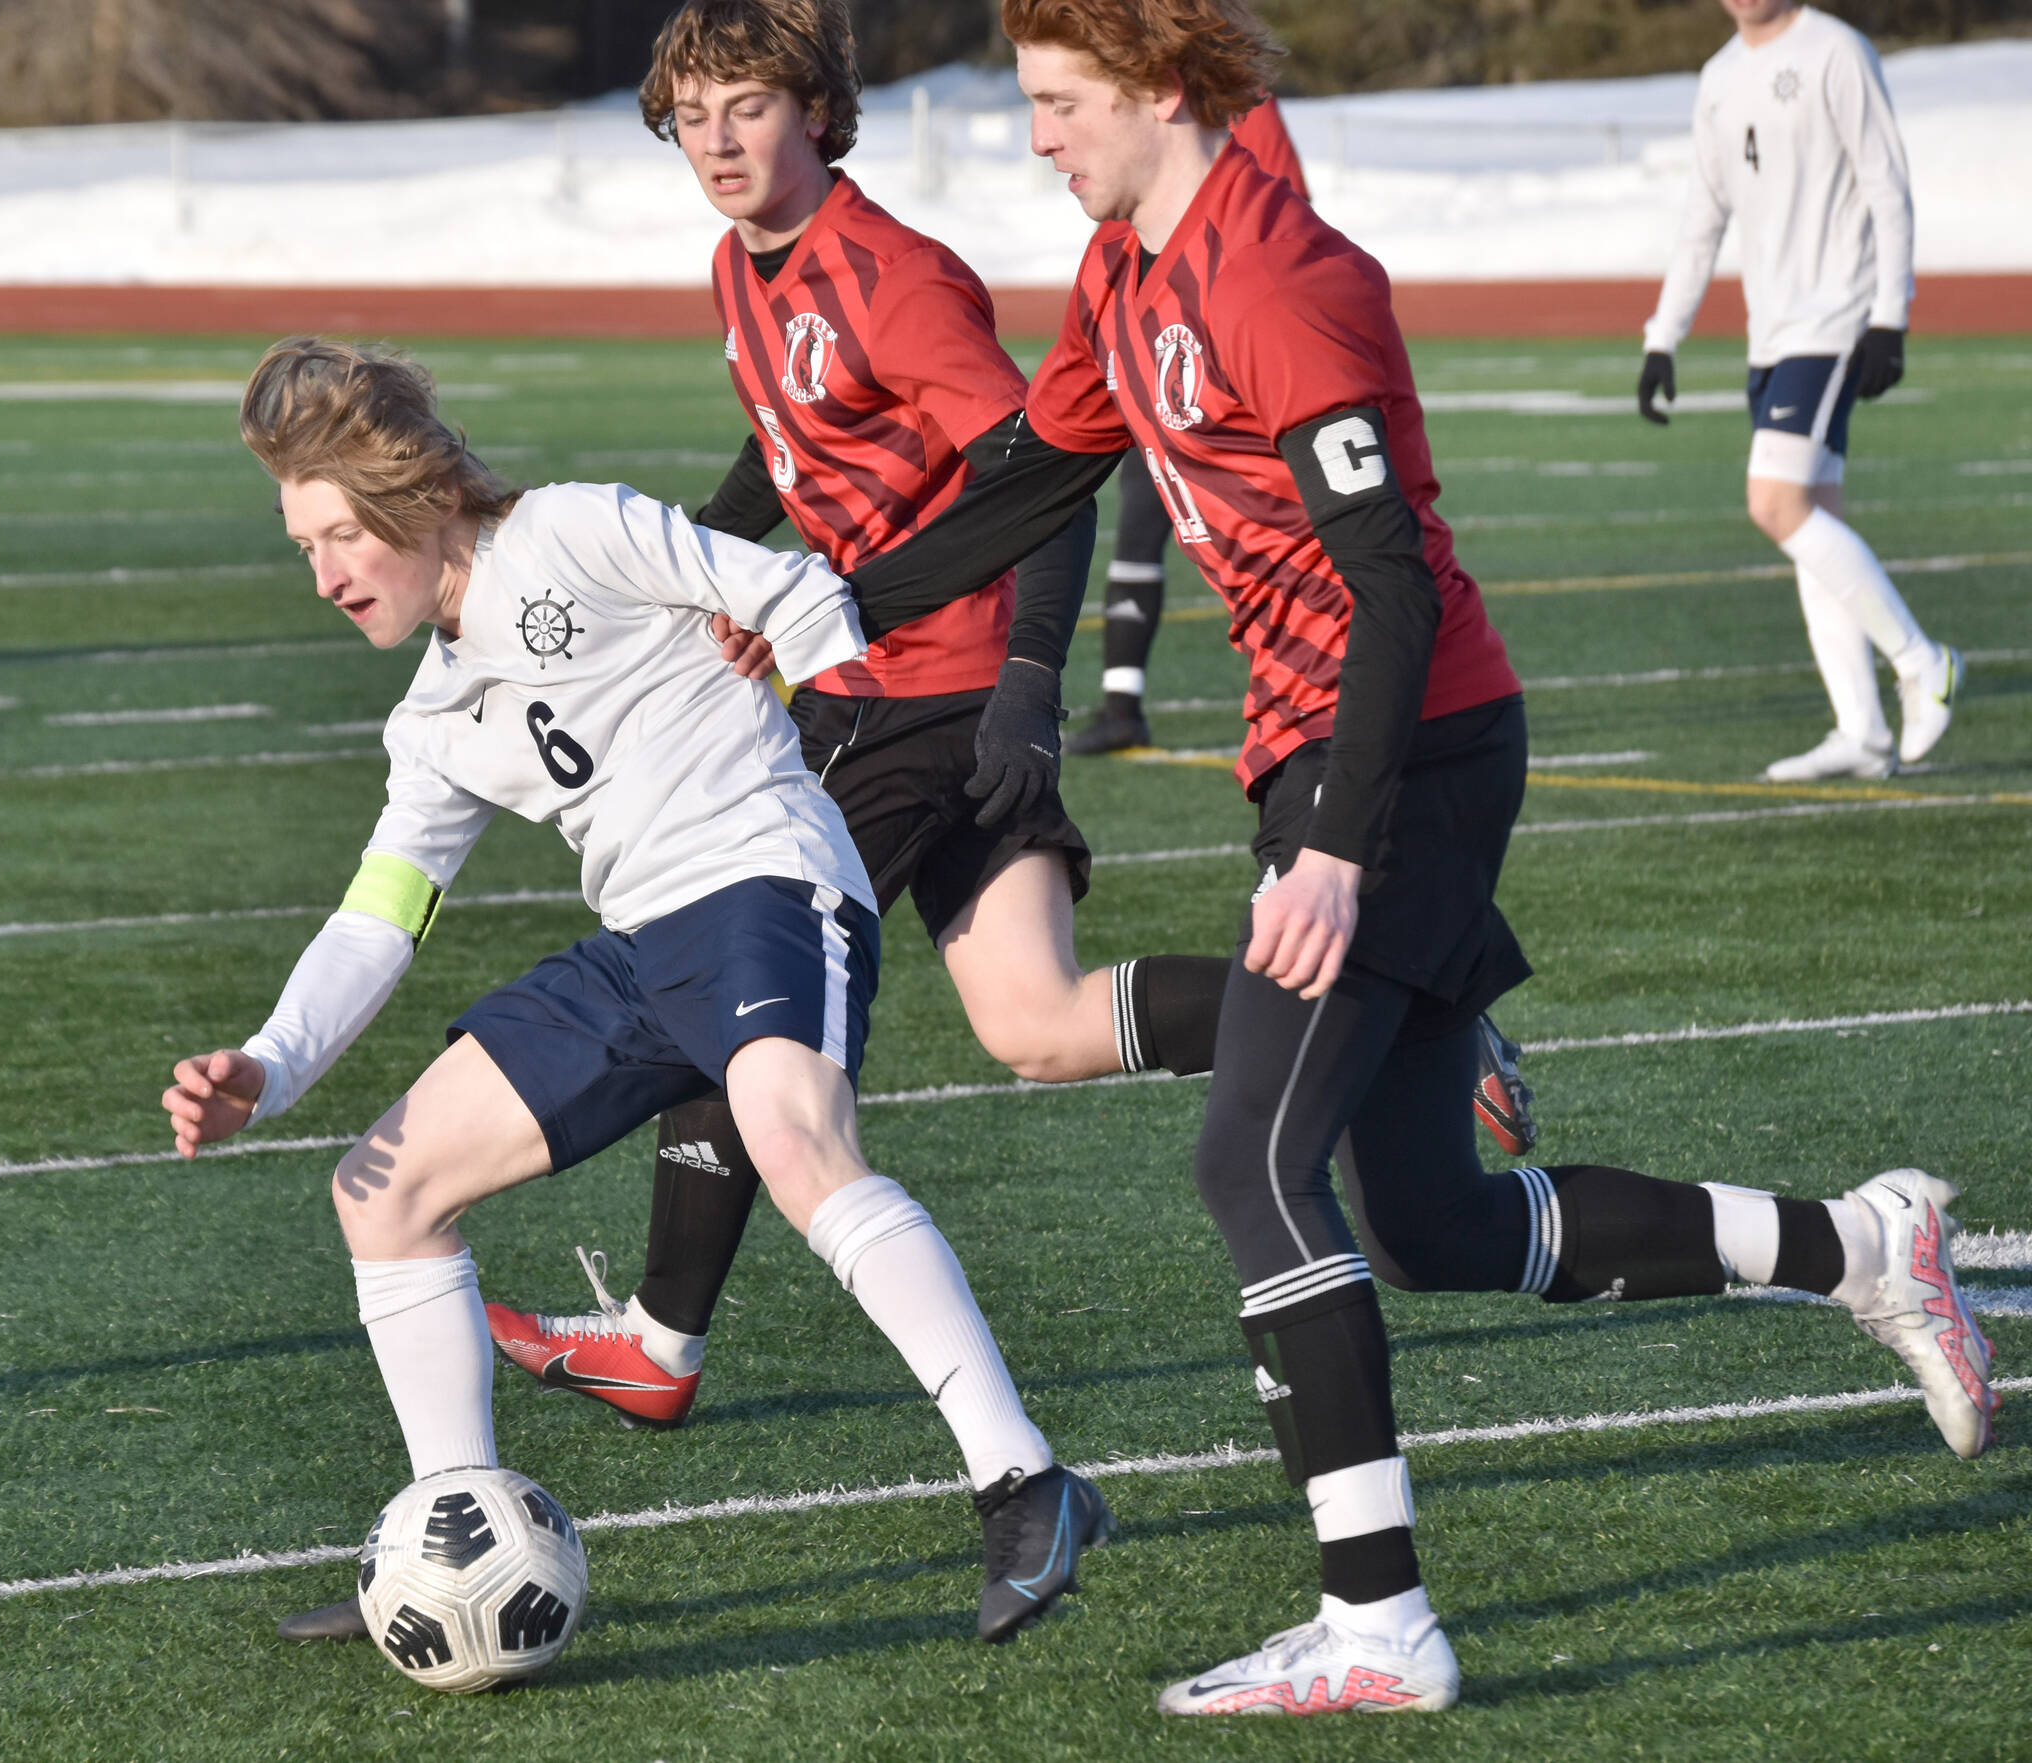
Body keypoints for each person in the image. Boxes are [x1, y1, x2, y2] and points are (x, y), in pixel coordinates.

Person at [800, 0, 1997, 1715]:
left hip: (1401, 765)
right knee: (1425, 1219)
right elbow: (1019, 487)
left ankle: (1377, 1620)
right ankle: (1860, 1247)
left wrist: (1339, 847)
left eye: (1060, 104)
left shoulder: (1277, 277)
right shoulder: (1126, 276)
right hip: (1340, 770)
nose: (1038, 137)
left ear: (1155, 92)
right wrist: (806, 602)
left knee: (1250, 1169)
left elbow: (1391, 585)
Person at [164, 337, 1111, 1650]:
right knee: (380, 1186)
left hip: (766, 884)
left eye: (336, 535)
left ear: (420, 499)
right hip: (640, 943)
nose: (321, 575)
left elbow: (790, 591)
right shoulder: (434, 710)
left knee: (791, 1133)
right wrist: (265, 1063)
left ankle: (1026, 1479)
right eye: (301, 545)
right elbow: (380, 913)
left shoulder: (569, 530)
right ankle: (451, 1525)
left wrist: (814, 716)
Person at [479, 0, 1231, 1438]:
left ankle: (658, 1336)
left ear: (818, 113)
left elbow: (1046, 484)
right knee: (1039, 1022)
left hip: (923, 696)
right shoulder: (739, 265)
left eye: (747, 106)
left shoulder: (893, 277)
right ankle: (1376, 1015)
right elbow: (786, 437)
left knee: (731, 975)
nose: (716, 139)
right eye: (692, 113)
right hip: (884, 684)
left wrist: (1028, 691)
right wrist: (691, 560)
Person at [1639, 0, 1961, 782]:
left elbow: (1889, 185)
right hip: (1771, 333)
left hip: (1835, 320)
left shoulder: (1836, 51)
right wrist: (1662, 335)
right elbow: (1704, 215)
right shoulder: (1718, 77)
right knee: (1810, 519)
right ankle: (1863, 731)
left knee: (1774, 503)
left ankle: (1924, 663)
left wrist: (1890, 315)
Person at [1071, 93, 1307, 760]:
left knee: (1273, 536)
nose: (1043, 137)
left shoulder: (1240, 104)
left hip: (1221, 351)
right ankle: (1121, 701)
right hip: (1154, 338)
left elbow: (1285, 213)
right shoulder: (1106, 261)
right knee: (1140, 520)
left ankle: (1300, 699)